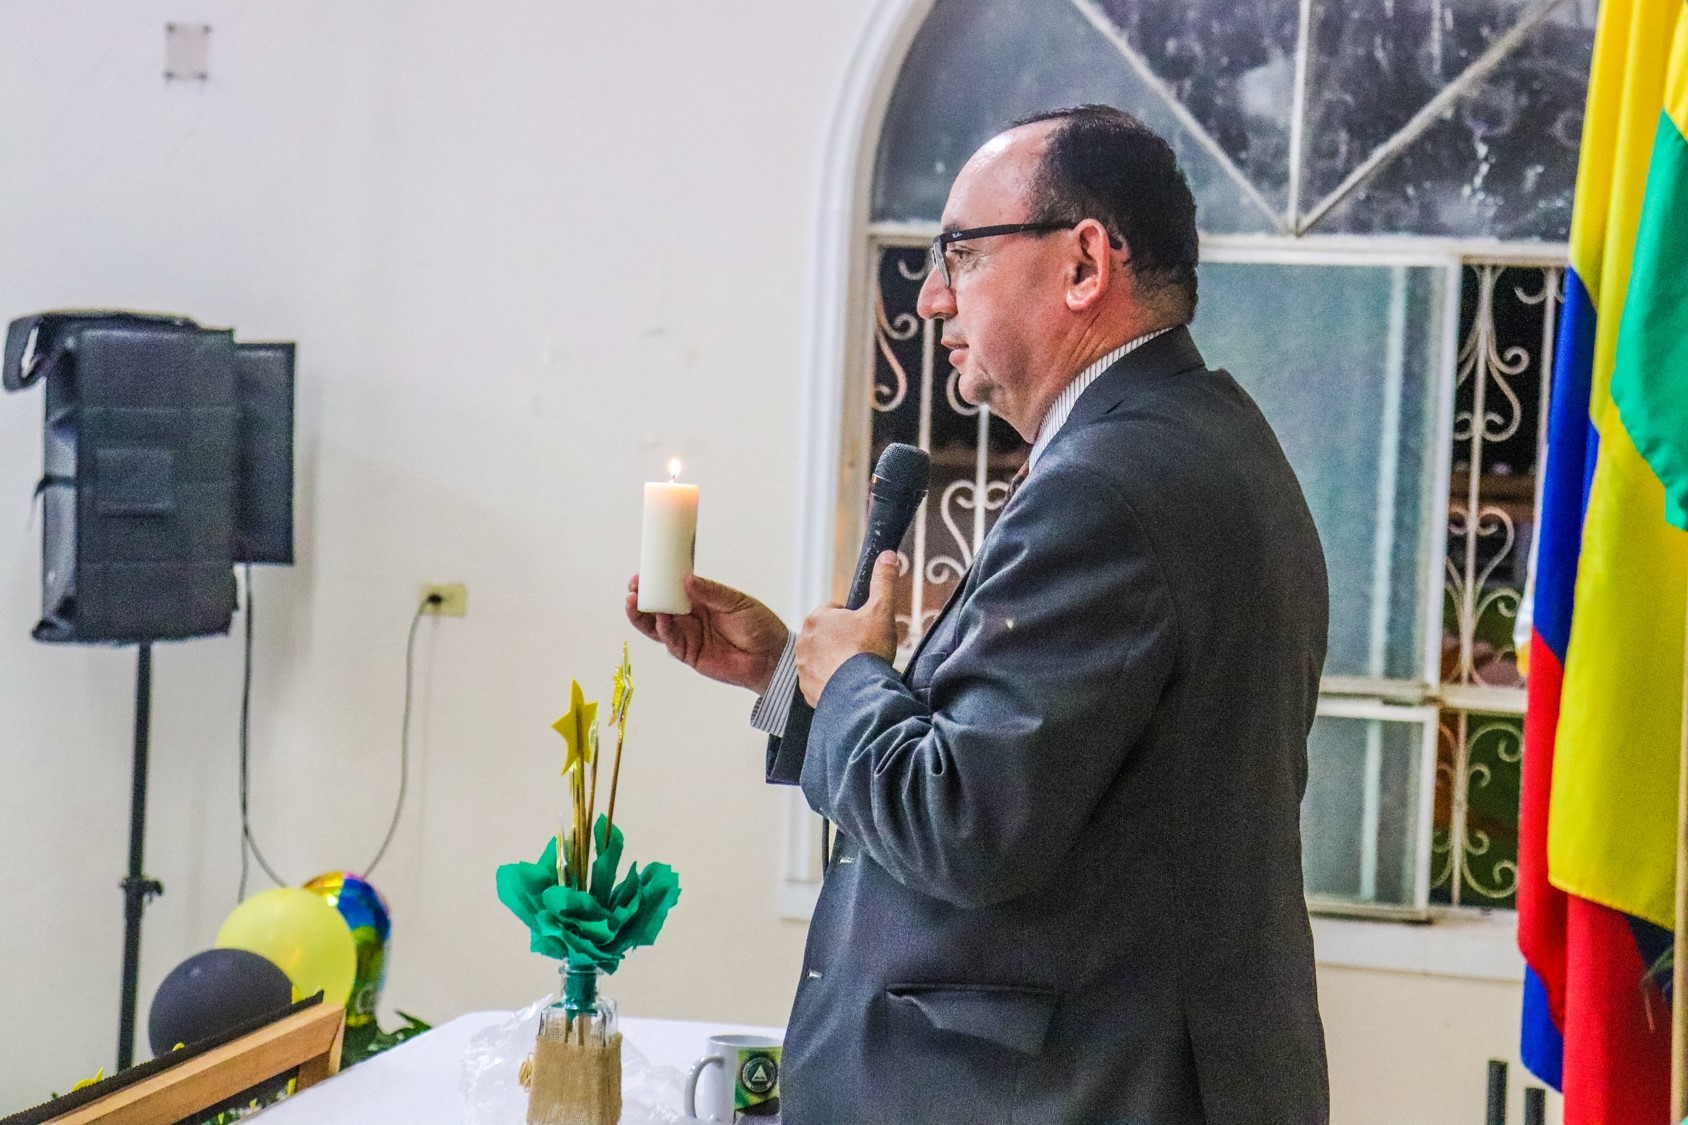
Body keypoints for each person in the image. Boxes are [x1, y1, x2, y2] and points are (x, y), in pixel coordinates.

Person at [627, 104, 1329, 1125]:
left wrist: (850, 679)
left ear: (1084, 264)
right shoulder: (1205, 439)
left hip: (1067, 1090)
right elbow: (1059, 770)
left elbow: (965, 822)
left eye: (960, 252)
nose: (929, 296)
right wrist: (790, 671)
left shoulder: (1107, 485)